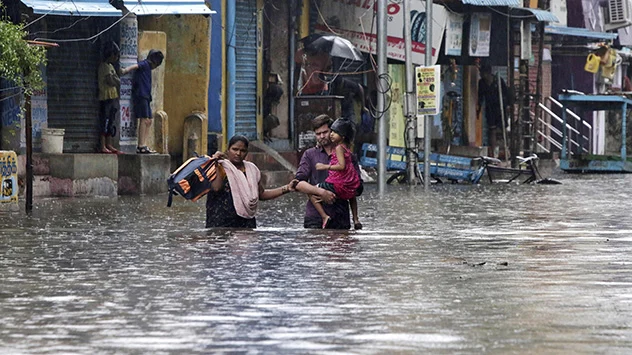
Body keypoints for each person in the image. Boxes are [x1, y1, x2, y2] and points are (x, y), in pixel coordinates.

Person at [206, 135, 297, 228]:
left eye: (242, 151)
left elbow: (261, 194)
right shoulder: (219, 167)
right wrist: (215, 163)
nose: (238, 153)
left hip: (246, 222)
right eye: (235, 149)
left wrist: (287, 188)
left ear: (246, 152)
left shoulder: (252, 170)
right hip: (220, 223)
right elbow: (216, 188)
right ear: (228, 149)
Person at [294, 114, 363, 230]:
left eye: (325, 132)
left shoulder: (348, 155)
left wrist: (339, 191)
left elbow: (358, 187)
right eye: (318, 134)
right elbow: (298, 184)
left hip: (340, 217)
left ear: (333, 131)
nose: (321, 136)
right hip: (315, 218)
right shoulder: (310, 155)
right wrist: (322, 193)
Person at [121, 49, 164, 154]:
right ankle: (141, 145)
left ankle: (144, 144)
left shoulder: (148, 67)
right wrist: (125, 70)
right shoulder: (145, 64)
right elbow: (136, 66)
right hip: (141, 94)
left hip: (146, 96)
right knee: (144, 119)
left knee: (149, 121)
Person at [477, 63, 509, 157]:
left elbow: (506, 93)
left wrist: (507, 106)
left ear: (488, 72)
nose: (481, 74)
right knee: (492, 130)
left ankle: (506, 149)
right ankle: (495, 152)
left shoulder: (498, 80)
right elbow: (480, 96)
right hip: (490, 108)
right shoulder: (482, 83)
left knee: (503, 128)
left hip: (500, 107)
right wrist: (478, 108)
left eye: (482, 73)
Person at [97, 41, 121, 154]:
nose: (116, 58)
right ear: (110, 54)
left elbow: (116, 80)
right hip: (105, 98)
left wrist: (115, 79)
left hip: (113, 97)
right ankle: (102, 145)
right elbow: (111, 81)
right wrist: (115, 80)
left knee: (111, 121)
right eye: (115, 55)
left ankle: (109, 144)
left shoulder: (111, 67)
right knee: (105, 121)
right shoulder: (104, 66)